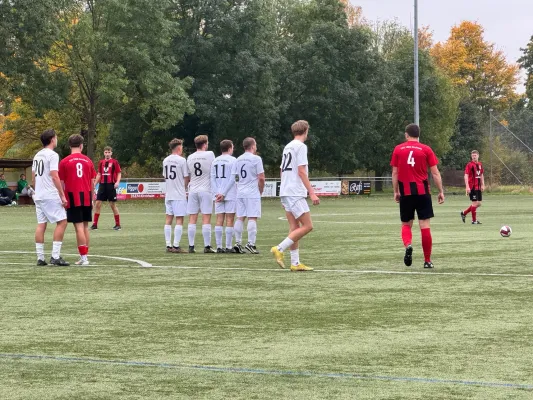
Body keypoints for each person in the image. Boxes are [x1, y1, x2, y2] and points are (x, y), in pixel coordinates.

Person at [390, 123, 445, 269]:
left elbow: (395, 173)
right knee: (424, 226)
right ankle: (427, 261)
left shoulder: (398, 149)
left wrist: (396, 191)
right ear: (418, 135)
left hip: (406, 192)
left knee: (406, 224)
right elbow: (435, 173)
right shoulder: (426, 149)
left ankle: (408, 245)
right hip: (423, 193)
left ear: (406, 135)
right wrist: (440, 191)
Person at [270, 120, 319, 271]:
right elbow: (301, 171)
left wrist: (283, 189)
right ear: (306, 131)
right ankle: (279, 248)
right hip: (295, 192)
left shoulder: (288, 146)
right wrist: (311, 192)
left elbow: (282, 170)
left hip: (286, 190)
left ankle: (295, 263)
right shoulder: (301, 146)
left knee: (294, 227)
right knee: (308, 226)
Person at [218, 138, 264, 254]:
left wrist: (223, 192)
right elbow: (261, 177)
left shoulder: (237, 160)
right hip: (252, 192)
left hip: (240, 192)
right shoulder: (256, 159)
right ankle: (250, 244)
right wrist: (261, 190)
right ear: (252, 146)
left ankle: (237, 243)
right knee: (252, 217)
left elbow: (233, 178)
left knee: (240, 217)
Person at [32, 129, 70, 266]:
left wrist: (37, 193)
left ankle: (40, 258)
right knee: (62, 221)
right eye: (56, 137)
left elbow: (34, 176)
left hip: (39, 195)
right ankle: (55, 256)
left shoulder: (37, 155)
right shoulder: (53, 155)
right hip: (49, 194)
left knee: (41, 224)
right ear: (52, 139)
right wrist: (62, 195)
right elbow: (54, 175)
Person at [59, 134, 96, 266]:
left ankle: (84, 258)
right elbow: (92, 182)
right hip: (86, 196)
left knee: (78, 227)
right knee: (85, 227)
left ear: (70, 146)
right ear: (81, 145)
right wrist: (92, 197)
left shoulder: (64, 162)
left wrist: (62, 198)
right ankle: (85, 255)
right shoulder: (88, 161)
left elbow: (62, 183)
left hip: (73, 197)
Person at [186, 135, 215, 253]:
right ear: (205, 144)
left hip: (193, 189)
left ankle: (191, 246)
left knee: (192, 218)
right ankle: (207, 246)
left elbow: (188, 175)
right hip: (206, 189)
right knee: (206, 217)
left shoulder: (190, 157)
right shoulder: (210, 154)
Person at [163, 138, 189, 253]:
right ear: (179, 148)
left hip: (168, 193)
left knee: (168, 219)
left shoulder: (165, 160)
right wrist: (184, 189)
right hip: (179, 194)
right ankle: (176, 245)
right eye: (181, 147)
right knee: (179, 219)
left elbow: (165, 176)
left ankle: (168, 245)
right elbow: (186, 177)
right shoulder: (182, 160)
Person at [211, 140, 237, 253]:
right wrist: (224, 193)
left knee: (219, 219)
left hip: (217, 194)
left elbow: (212, 178)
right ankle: (228, 246)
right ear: (230, 148)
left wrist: (217, 192)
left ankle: (219, 246)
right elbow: (232, 179)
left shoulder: (215, 161)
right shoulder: (233, 160)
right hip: (229, 193)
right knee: (230, 219)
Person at [91, 146, 122, 230]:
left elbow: (119, 173)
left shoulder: (115, 162)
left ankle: (118, 224)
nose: (107, 154)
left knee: (112, 205)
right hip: (102, 185)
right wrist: (95, 183)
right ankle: (95, 225)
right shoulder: (101, 162)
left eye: (109, 152)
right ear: (104, 153)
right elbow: (99, 174)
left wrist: (117, 182)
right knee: (97, 204)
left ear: (111, 153)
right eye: (106, 152)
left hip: (111, 185)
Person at [461, 150, 484, 224]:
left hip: (478, 187)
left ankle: (464, 213)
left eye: (475, 155)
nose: (474, 157)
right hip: (472, 186)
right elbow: (466, 175)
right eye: (472, 155)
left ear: (478, 155)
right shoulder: (469, 165)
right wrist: (467, 187)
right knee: (474, 203)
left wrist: (483, 184)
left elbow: (481, 175)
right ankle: (474, 221)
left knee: (479, 203)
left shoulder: (480, 164)